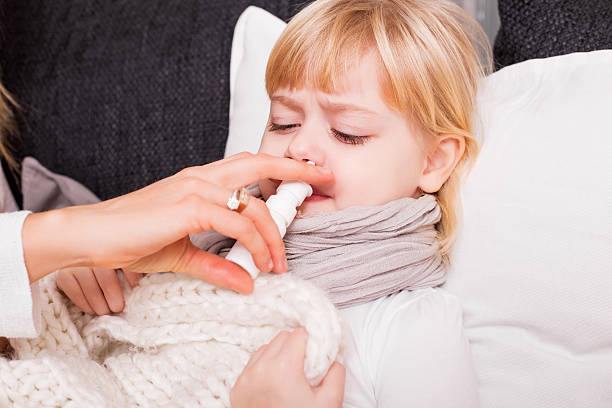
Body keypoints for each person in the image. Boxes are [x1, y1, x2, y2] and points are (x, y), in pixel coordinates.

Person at [230, 0, 492, 406]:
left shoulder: (412, 328)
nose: (299, 147)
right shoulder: (202, 249)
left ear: (432, 161)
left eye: (347, 132)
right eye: (283, 122)